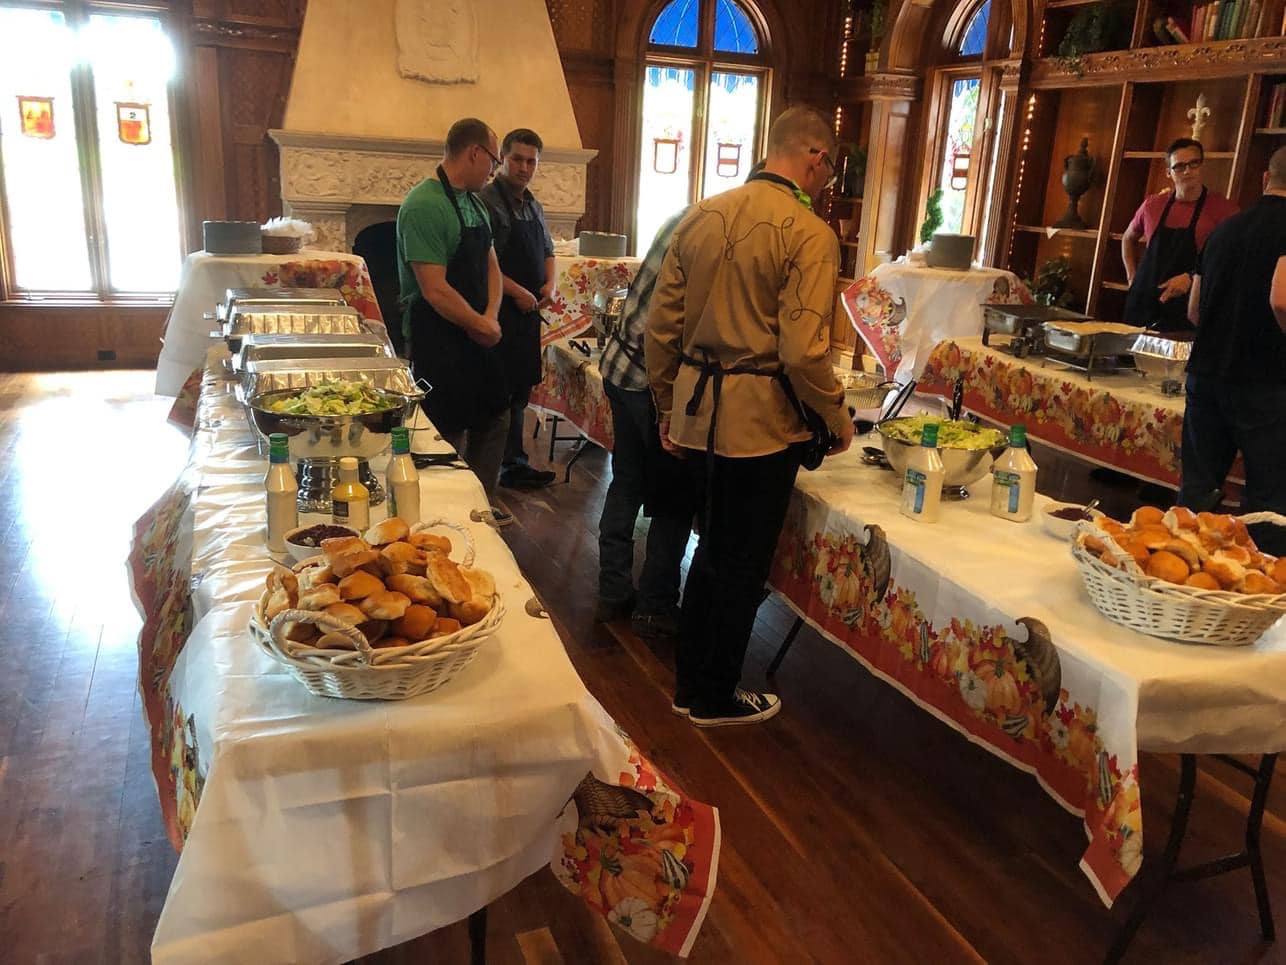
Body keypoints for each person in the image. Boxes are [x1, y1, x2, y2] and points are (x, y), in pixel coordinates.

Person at [646, 107, 854, 727]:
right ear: (815, 157)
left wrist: (666, 406)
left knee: (707, 549)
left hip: (695, 410)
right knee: (739, 563)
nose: (827, 180)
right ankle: (713, 696)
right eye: (830, 168)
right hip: (760, 424)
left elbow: (662, 330)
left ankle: (690, 685)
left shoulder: (699, 215)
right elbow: (802, 350)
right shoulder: (810, 232)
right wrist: (836, 414)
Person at [396, 117, 512, 525]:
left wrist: (492, 316)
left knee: (496, 414)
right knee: (446, 432)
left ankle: (477, 506)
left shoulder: (474, 202)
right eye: (494, 161)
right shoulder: (423, 205)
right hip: (438, 338)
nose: (494, 170)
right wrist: (481, 325)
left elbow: (492, 265)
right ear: (475, 153)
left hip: (478, 331)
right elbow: (435, 290)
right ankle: (442, 516)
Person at [1180, 146, 1286, 555]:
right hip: (1267, 382)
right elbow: (1281, 300)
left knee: (1197, 493)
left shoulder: (1224, 229)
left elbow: (1194, 310)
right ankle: (1255, 600)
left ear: (1265, 179)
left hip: (1206, 374)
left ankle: (1181, 580)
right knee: (1268, 502)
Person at [595, 203, 694, 637]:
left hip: (620, 367)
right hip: (654, 380)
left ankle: (613, 588)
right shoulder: (718, 233)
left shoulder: (689, 216)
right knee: (674, 497)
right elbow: (668, 327)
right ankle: (655, 606)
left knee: (628, 479)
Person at [480, 128, 558, 491]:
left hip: (528, 312)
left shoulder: (533, 205)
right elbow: (484, 262)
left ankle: (514, 463)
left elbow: (548, 251)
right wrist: (516, 292)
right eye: (517, 159)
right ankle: (491, 470)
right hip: (500, 310)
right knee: (498, 393)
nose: (524, 167)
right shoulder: (487, 201)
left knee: (520, 392)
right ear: (503, 159)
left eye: (531, 161)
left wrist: (549, 284)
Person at [1121, 137, 1238, 333]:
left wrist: (1191, 277)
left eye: (1194, 163)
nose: (1188, 171)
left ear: (1202, 166)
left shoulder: (1224, 210)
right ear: (1168, 172)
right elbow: (1128, 238)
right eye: (1179, 166)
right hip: (1143, 303)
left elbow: (1231, 260)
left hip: (1187, 307)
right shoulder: (1152, 205)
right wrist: (1132, 278)